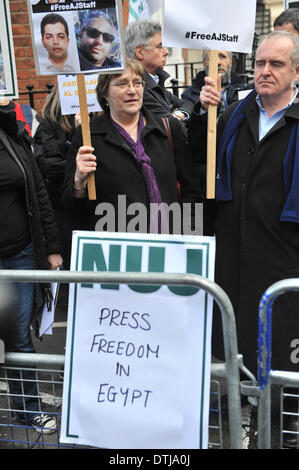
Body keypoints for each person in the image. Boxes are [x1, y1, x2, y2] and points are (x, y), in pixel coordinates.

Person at [188, 30, 299, 447]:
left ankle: (279, 434)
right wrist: (204, 116)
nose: (264, 72)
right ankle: (245, 428)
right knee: (239, 356)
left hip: (284, 265)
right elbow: (201, 163)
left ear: (296, 71)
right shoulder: (234, 115)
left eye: (276, 64)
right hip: (234, 262)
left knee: (282, 367)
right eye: (259, 63)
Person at [61, 58, 202, 234]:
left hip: (169, 245)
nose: (132, 90)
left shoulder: (168, 129)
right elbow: (73, 210)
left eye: (137, 83)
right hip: (120, 251)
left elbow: (191, 190)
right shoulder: (88, 138)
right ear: (105, 92)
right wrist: (79, 182)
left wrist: (190, 236)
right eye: (122, 84)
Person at [0, 97, 62, 433]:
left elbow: (38, 192)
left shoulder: (11, 130)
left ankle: (27, 409)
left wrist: (51, 248)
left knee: (17, 336)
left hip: (21, 253)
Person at [34, 83, 79, 269]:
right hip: (61, 206)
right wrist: (76, 135)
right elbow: (46, 165)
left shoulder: (99, 119)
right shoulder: (48, 124)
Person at [124, 19, 193, 125]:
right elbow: (172, 127)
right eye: (160, 46)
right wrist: (176, 118)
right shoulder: (138, 90)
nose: (166, 52)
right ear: (140, 52)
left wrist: (179, 114)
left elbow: (188, 104)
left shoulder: (155, 81)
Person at [182, 50, 246, 114]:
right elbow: (189, 120)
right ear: (204, 63)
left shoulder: (244, 90)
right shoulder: (189, 94)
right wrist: (203, 109)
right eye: (212, 57)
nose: (218, 62)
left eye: (222, 57)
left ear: (230, 61)